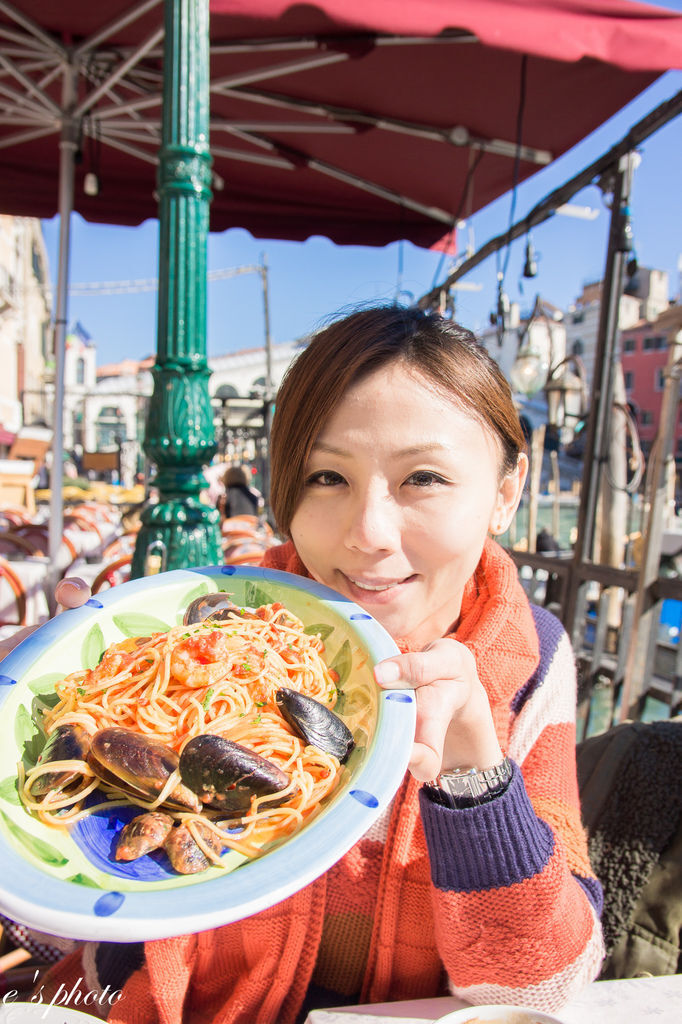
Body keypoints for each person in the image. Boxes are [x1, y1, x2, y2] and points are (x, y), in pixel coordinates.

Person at [0, 306, 604, 1022]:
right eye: (325, 476)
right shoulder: (204, 625)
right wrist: (36, 718)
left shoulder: (530, 662)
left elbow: (543, 993)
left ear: (506, 491)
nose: (369, 534)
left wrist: (476, 782)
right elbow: (55, 920)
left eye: (425, 478)